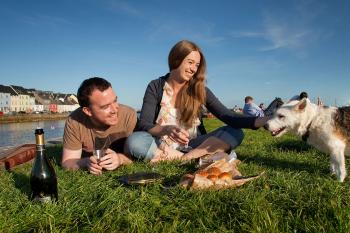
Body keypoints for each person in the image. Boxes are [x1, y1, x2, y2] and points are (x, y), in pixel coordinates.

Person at [125, 40, 269, 163]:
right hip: (161, 144)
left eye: (197, 65)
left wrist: (263, 120)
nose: (194, 69)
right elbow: (145, 123)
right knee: (135, 141)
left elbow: (226, 115)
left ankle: (183, 158)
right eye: (190, 62)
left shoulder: (199, 89)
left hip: (194, 145)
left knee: (235, 132)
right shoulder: (156, 86)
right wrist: (166, 129)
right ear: (176, 60)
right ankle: (195, 158)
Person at [61, 77, 137, 175]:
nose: (114, 110)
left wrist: (120, 159)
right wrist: (86, 162)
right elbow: (67, 162)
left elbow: (139, 155)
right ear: (88, 111)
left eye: (115, 101)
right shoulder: (74, 121)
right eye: (105, 107)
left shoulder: (128, 115)